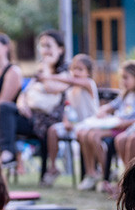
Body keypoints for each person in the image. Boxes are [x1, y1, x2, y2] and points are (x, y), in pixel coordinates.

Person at [74, 60, 135, 191]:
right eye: (122, 77)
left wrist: (124, 123)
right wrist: (103, 111)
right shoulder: (126, 93)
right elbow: (112, 106)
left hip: (127, 127)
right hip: (116, 124)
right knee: (86, 133)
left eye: (126, 77)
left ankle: (106, 173)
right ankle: (92, 172)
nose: (123, 81)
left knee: (94, 136)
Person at [0, 30, 69, 166]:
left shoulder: (65, 72)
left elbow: (50, 88)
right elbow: (25, 93)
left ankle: (11, 155)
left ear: (60, 49)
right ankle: (8, 153)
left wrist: (46, 66)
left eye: (48, 46)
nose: (45, 50)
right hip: (31, 117)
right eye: (42, 46)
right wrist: (22, 104)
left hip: (48, 120)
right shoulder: (40, 72)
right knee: (5, 108)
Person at [41, 53, 99, 186]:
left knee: (82, 133)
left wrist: (48, 76)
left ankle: (93, 172)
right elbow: (68, 109)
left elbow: (72, 81)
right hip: (75, 125)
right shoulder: (69, 90)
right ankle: (53, 166)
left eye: (80, 69)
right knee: (53, 130)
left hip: (91, 125)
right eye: (74, 69)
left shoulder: (89, 84)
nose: (76, 72)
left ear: (88, 72)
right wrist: (66, 121)